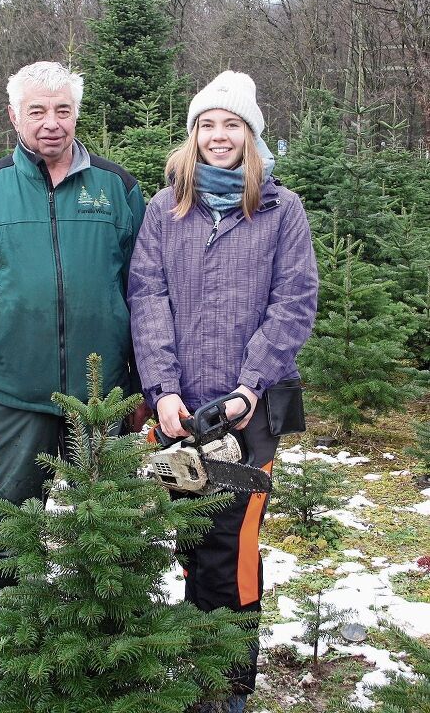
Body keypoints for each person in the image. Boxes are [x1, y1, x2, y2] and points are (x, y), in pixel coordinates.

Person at [127, 70, 318, 713]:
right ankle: (193, 672)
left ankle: (226, 690)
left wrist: (249, 384)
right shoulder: (164, 209)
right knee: (188, 537)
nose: (218, 136)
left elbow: (294, 302)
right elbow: (147, 298)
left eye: (231, 124)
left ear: (251, 134)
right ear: (193, 134)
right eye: (207, 124)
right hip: (178, 411)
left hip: (250, 412)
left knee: (232, 546)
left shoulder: (279, 210)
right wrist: (162, 391)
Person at [0, 61, 149, 599]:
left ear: (77, 114)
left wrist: (147, 385)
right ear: (14, 116)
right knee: (3, 537)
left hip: (103, 396)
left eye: (63, 110)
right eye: (37, 111)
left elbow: (147, 296)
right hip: (9, 397)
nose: (51, 122)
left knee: (108, 536)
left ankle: (107, 661)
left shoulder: (118, 189)